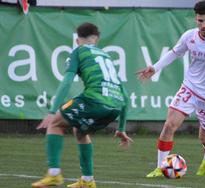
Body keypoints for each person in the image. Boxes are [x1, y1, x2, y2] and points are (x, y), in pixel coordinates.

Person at [137, 0, 205, 177]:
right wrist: (155, 67)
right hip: (189, 88)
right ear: (196, 19)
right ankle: (160, 167)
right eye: (200, 20)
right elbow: (175, 52)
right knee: (169, 125)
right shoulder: (189, 36)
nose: (203, 25)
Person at [32, 22, 133, 188]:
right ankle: (87, 180)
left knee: (55, 123)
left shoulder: (78, 51)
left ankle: (54, 174)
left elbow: (66, 82)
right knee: (79, 130)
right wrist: (121, 128)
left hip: (94, 100)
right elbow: (126, 97)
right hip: (114, 107)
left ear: (77, 40)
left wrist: (52, 111)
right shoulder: (106, 56)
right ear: (96, 39)